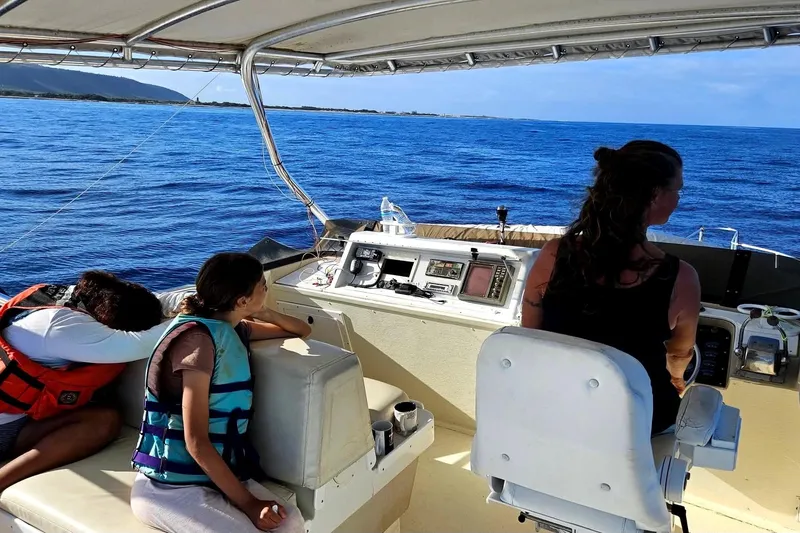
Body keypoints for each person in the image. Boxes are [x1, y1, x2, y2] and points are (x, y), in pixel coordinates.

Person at [521, 140, 701, 435]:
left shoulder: (553, 254)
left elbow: (531, 336)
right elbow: (679, 354)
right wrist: (678, 380)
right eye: (677, 190)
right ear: (655, 194)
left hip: (557, 413)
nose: (679, 199)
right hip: (638, 425)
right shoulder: (681, 278)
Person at [130, 252, 311, 533]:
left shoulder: (235, 329)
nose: (266, 288)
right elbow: (196, 441)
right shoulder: (197, 343)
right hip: (170, 486)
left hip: (218, 472)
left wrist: (262, 309)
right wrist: (250, 504)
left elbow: (301, 330)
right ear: (241, 300)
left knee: (291, 523)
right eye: (263, 285)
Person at [0, 270, 168, 492]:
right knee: (105, 421)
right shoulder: (62, 327)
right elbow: (141, 344)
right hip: (5, 430)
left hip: (13, 415)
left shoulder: (56, 299)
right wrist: (197, 316)